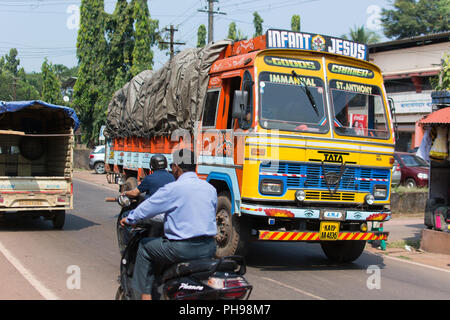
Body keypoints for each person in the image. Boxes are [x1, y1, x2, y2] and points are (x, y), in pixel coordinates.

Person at [120, 148, 217, 300]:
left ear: (176, 167)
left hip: (182, 249)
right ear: (195, 167)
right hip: (209, 247)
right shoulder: (210, 189)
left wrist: (130, 219)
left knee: (145, 247)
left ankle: (143, 295)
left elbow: (148, 208)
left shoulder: (173, 188)